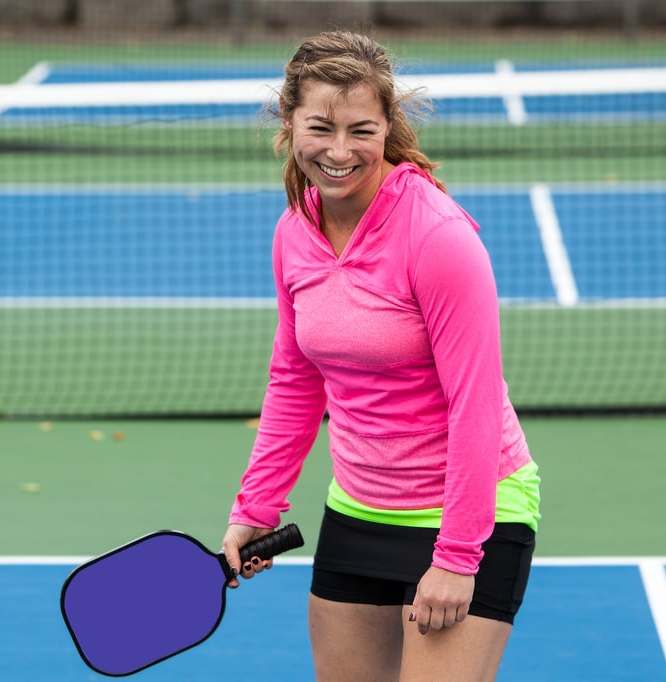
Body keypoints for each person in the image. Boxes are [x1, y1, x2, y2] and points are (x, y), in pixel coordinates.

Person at [220, 31, 541, 682]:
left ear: (387, 125)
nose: (339, 152)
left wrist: (456, 556)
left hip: (469, 515)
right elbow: (294, 380)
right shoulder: (294, 230)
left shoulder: (437, 237)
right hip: (361, 507)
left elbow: (475, 403)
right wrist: (256, 509)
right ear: (288, 122)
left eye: (360, 130)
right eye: (320, 127)